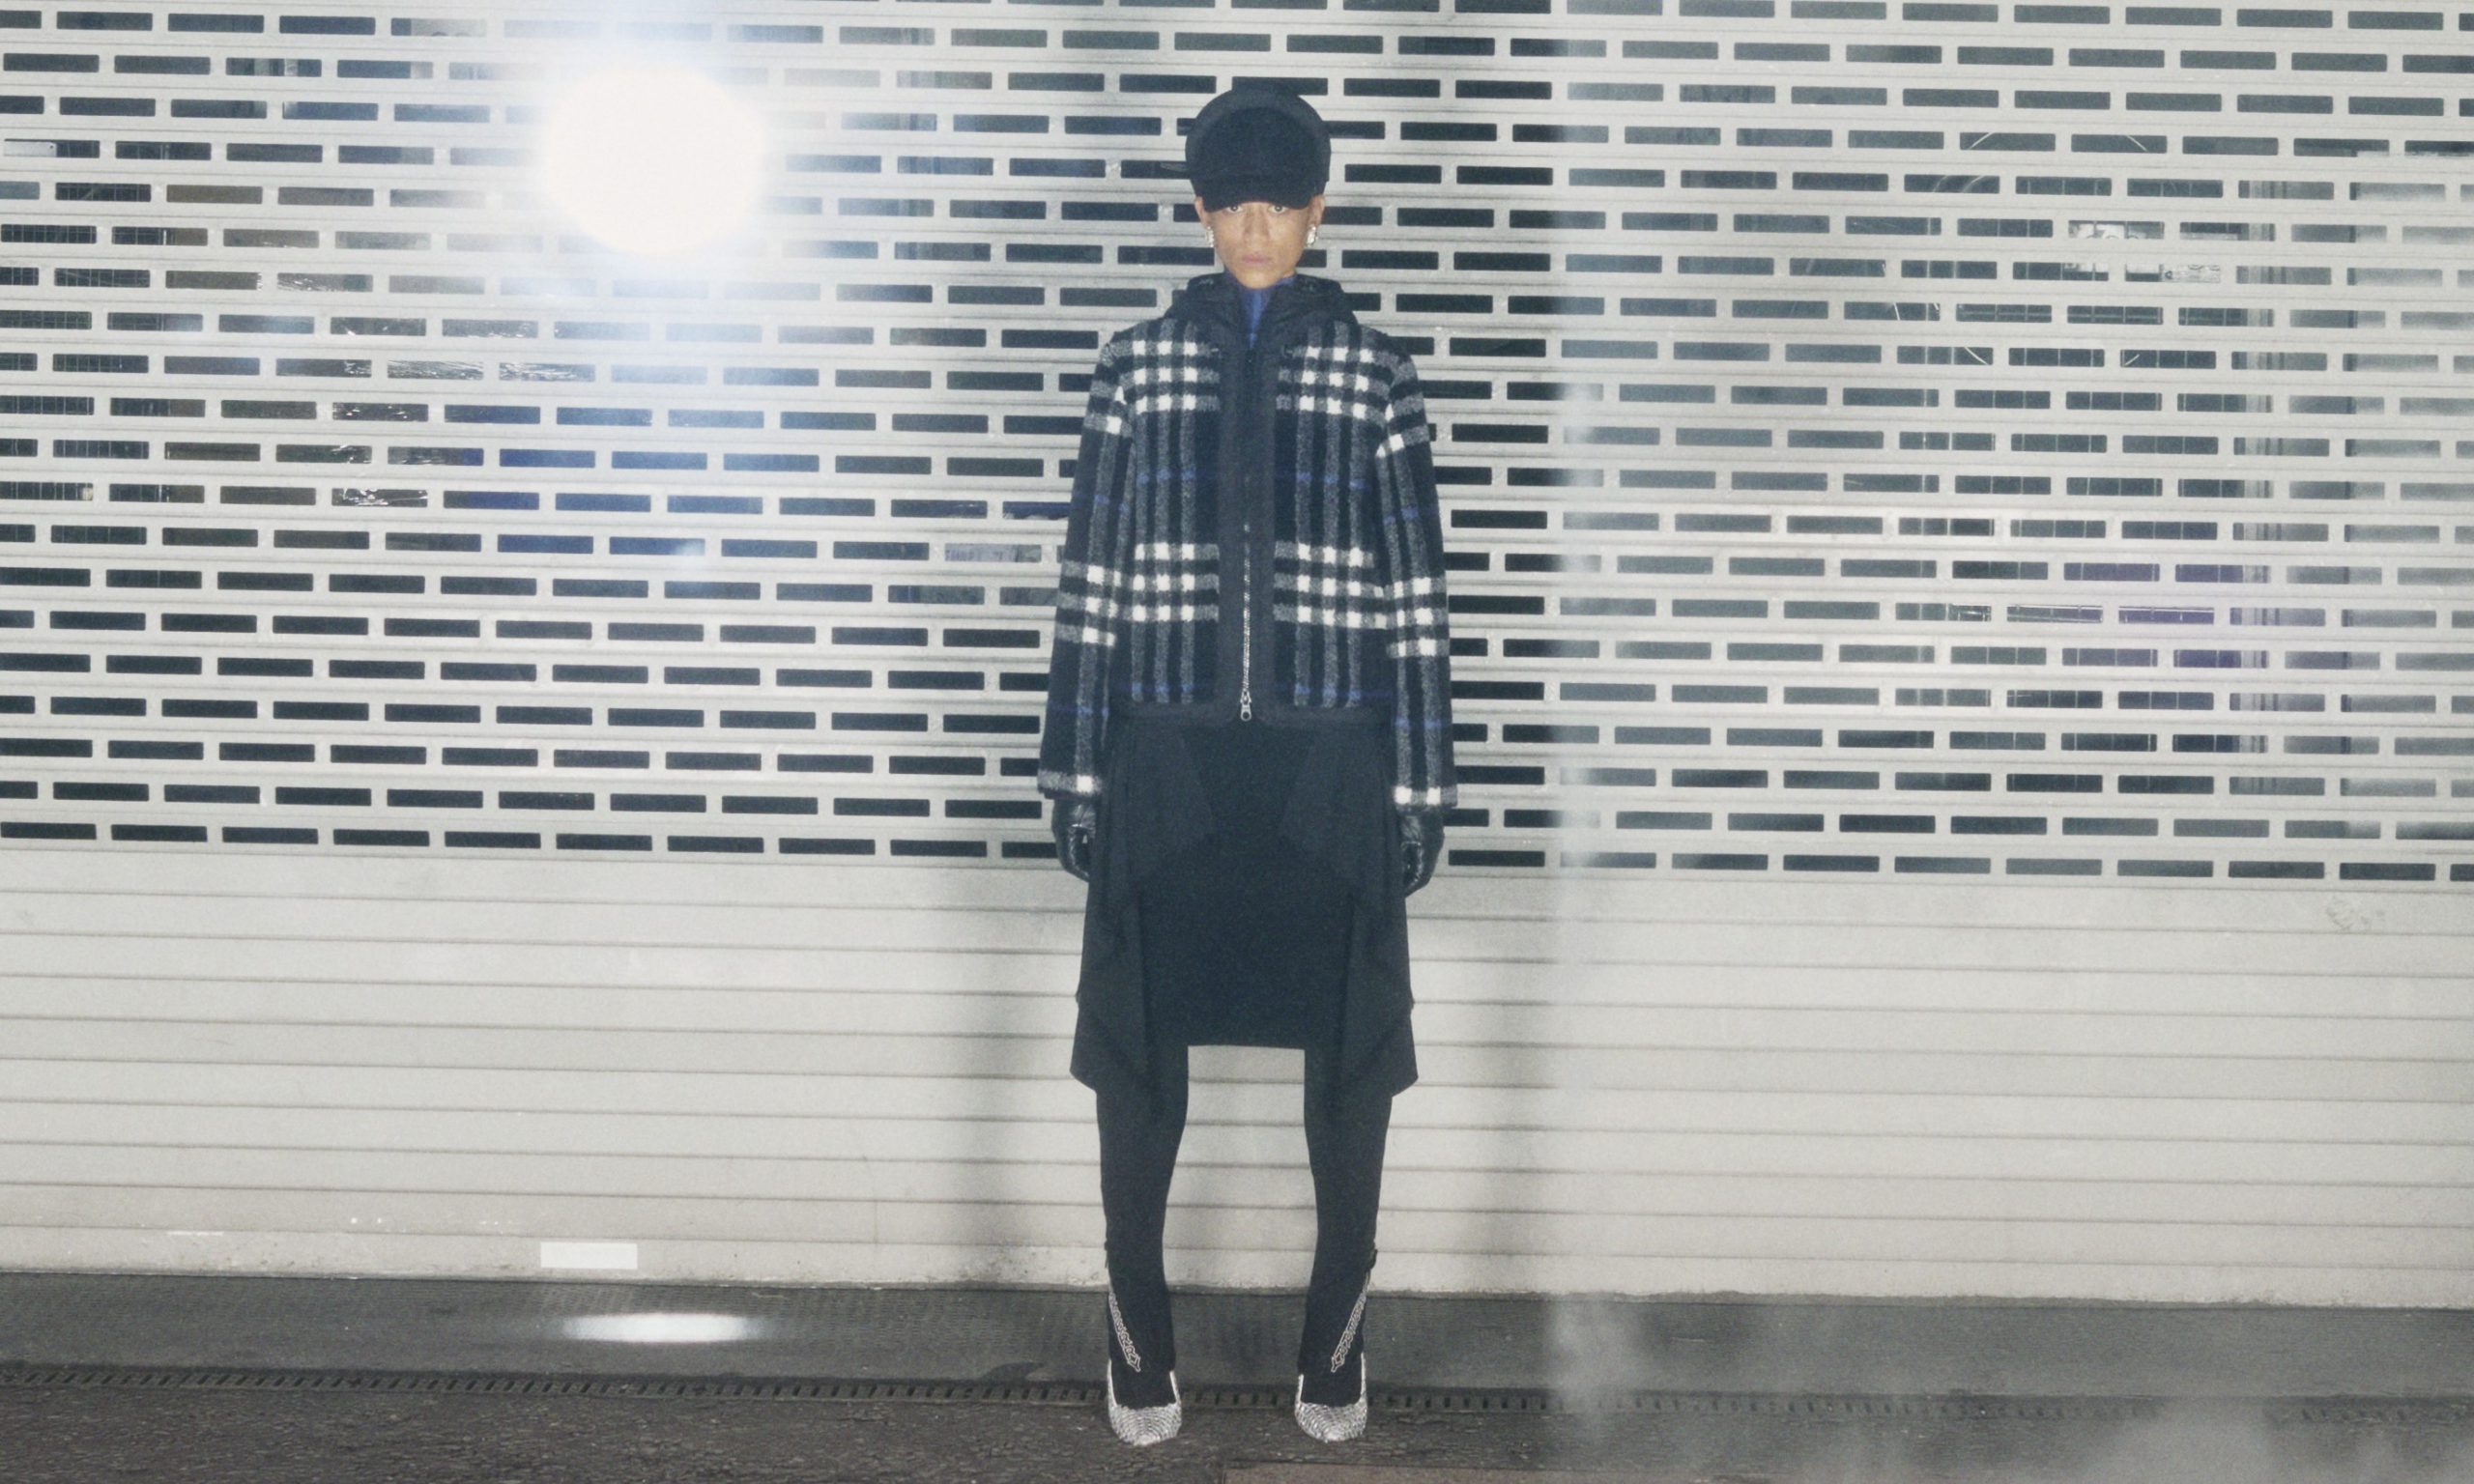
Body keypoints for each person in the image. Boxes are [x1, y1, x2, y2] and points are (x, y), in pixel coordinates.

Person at [1036, 83, 1456, 1448]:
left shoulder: (1377, 375)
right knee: (1137, 1064)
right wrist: (1073, 769)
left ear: (1318, 211)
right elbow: (1092, 579)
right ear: (1203, 212)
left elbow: (1416, 595)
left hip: (1330, 766)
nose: (1257, 227)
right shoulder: (1137, 368)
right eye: (1234, 205)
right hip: (1168, 762)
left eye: (1281, 204)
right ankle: (1135, 1345)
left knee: (1350, 1068)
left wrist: (1422, 784)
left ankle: (1335, 1348)